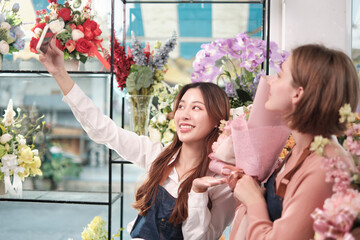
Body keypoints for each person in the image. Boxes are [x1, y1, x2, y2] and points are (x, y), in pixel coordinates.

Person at [39, 37, 237, 240]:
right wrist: (59, 73)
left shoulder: (220, 183)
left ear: (217, 120)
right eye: (181, 106)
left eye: (196, 108)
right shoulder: (157, 155)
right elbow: (102, 129)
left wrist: (197, 192)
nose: (184, 114)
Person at [227, 44, 359, 239]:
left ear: (298, 93)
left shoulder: (326, 167)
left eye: (279, 75)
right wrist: (250, 189)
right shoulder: (298, 150)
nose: (270, 82)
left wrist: (254, 200)